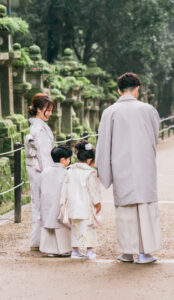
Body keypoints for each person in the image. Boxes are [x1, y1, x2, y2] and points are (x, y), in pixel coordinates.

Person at [96, 72, 161, 264]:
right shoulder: (148, 110)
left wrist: (105, 171)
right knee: (145, 208)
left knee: (125, 210)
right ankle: (145, 253)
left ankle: (127, 252)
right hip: (144, 165)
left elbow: (103, 144)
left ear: (119, 90)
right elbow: (154, 137)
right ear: (137, 89)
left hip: (121, 165)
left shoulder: (110, 112)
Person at [60, 141, 102, 259]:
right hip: (86, 205)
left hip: (73, 204)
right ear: (89, 160)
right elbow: (93, 190)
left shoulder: (71, 170)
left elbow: (65, 187)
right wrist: (97, 203)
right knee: (89, 227)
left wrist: (64, 202)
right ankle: (89, 251)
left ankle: (75, 251)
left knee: (75, 227)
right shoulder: (90, 173)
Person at [25, 93, 55, 251]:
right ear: (37, 109)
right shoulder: (38, 128)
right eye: (46, 110)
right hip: (40, 170)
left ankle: (38, 240)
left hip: (37, 169)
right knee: (41, 204)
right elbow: (44, 155)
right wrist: (49, 174)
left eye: (50, 110)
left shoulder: (37, 126)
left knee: (38, 204)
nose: (49, 113)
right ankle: (39, 241)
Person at [39, 145, 72, 256]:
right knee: (61, 225)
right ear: (63, 160)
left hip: (46, 203)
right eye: (68, 159)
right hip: (59, 203)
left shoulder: (45, 171)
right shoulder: (66, 173)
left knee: (49, 224)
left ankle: (49, 250)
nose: (69, 161)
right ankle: (64, 249)